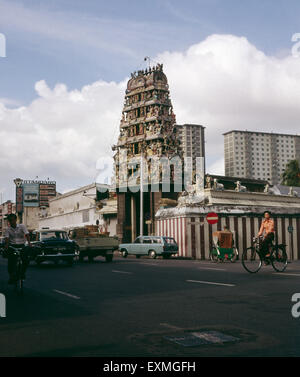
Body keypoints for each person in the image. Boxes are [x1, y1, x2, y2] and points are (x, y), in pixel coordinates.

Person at [4, 214, 32, 284]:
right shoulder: (8, 229)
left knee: (26, 260)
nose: (11, 222)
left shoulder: (22, 226)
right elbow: (7, 238)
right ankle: (11, 276)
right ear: (8, 221)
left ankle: (22, 273)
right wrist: (7, 245)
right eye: (10, 220)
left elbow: (27, 234)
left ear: (16, 220)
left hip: (22, 246)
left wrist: (29, 243)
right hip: (13, 247)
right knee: (10, 262)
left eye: (13, 220)